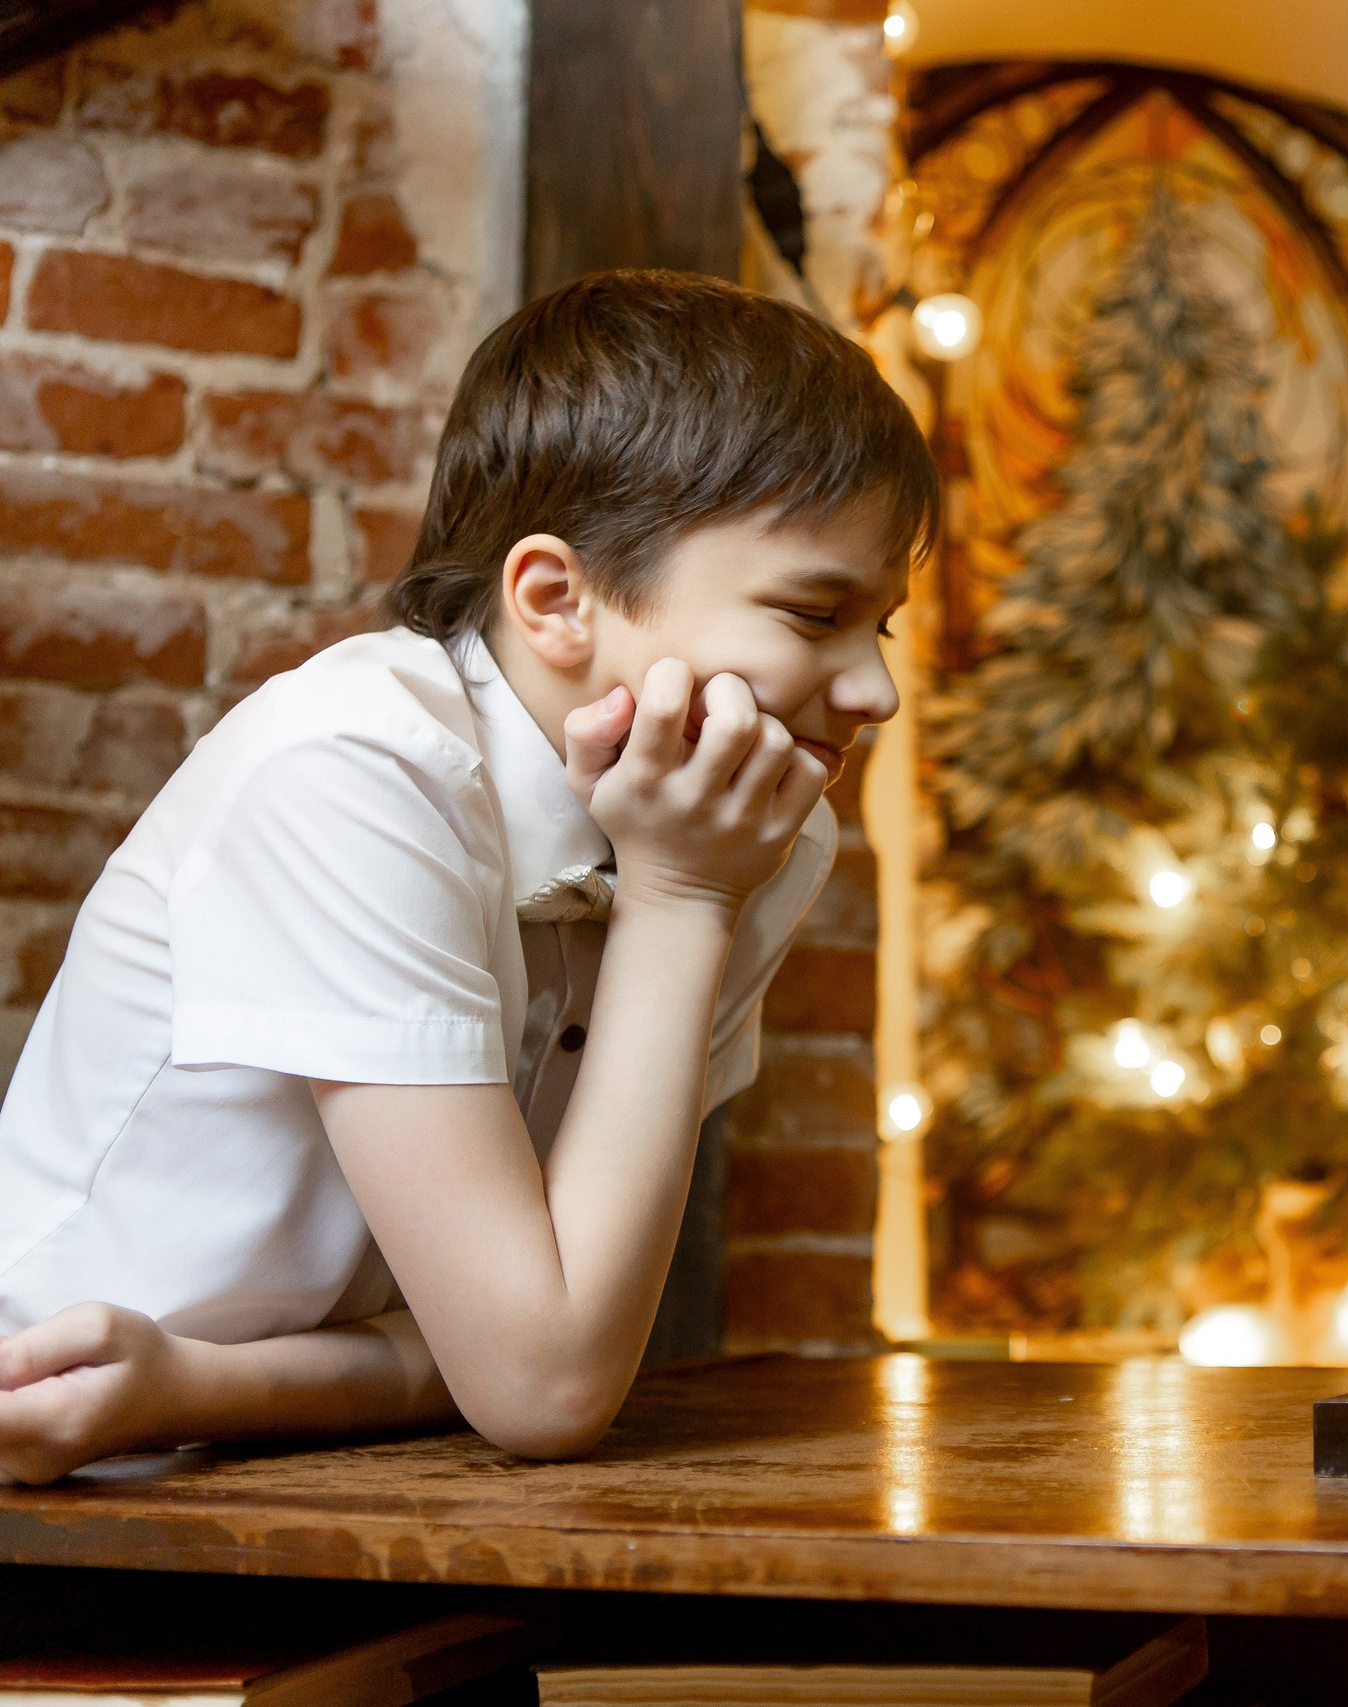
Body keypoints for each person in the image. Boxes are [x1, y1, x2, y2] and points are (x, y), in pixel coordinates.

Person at [0, 271, 935, 1484]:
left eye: (885, 628)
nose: (876, 693)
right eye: (816, 617)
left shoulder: (741, 828)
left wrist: (201, 1385)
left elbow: (554, 1335)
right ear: (557, 600)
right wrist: (682, 901)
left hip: (344, 1482)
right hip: (69, 1502)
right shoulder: (354, 770)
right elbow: (543, 1377)